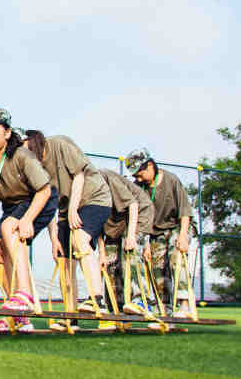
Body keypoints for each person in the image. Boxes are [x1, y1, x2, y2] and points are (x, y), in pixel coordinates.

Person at [0, 109, 58, 333]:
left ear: (8, 132)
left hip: (39, 199)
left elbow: (44, 190)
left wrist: (28, 219)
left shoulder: (21, 155)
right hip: (13, 205)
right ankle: (17, 315)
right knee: (2, 249)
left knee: (9, 226)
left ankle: (24, 295)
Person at [38, 133, 113, 321]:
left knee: (80, 240)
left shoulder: (58, 144)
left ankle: (97, 299)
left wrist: (72, 209)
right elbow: (46, 202)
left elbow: (79, 175)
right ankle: (70, 315)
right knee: (63, 258)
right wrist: (54, 239)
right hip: (66, 209)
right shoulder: (34, 167)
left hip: (94, 198)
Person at [124, 149, 197, 317]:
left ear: (150, 165)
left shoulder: (171, 180)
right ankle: (164, 310)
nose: (138, 178)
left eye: (140, 174)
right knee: (157, 266)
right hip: (156, 232)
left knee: (175, 255)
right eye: (135, 176)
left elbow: (185, 211)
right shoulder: (139, 187)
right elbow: (145, 220)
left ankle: (185, 305)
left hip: (179, 225)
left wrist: (183, 236)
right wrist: (147, 245)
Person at [98, 168, 155, 315]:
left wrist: (131, 236)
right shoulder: (82, 193)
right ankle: (115, 307)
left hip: (139, 212)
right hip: (115, 223)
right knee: (109, 263)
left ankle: (142, 300)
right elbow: (95, 225)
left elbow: (133, 205)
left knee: (130, 252)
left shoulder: (104, 177)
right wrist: (102, 254)